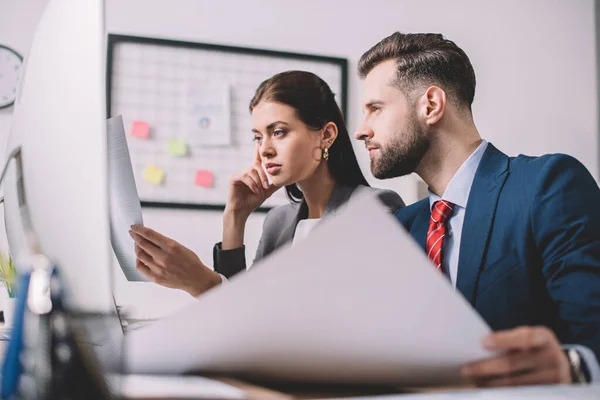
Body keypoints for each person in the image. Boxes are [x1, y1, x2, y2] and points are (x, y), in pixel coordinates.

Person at [355, 32, 600, 387]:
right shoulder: (401, 227)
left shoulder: (547, 184)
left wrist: (574, 366)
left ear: (431, 105)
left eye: (375, 109)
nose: (361, 131)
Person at [129, 70, 405, 297]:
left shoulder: (374, 208)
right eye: (258, 137)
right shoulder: (278, 221)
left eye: (279, 132)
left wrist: (202, 283)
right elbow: (242, 317)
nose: (265, 150)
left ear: (326, 136)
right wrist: (235, 218)